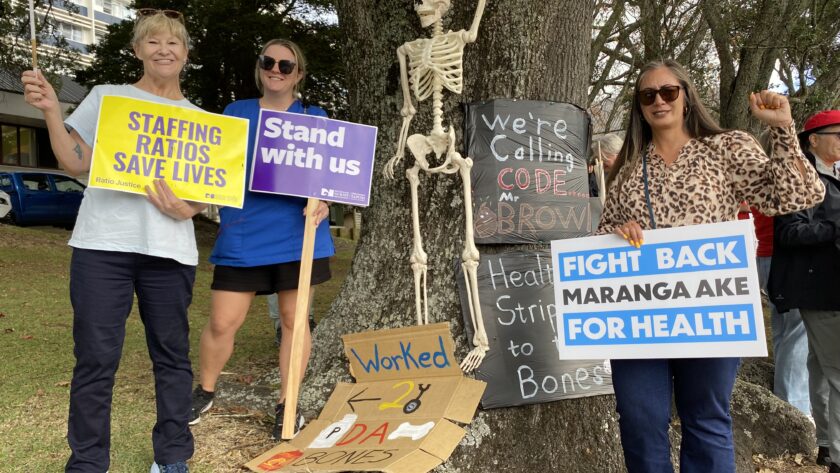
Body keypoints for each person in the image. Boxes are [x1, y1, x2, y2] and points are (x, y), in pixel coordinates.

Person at [598, 59, 824, 473]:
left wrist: (782, 128)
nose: (659, 101)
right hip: (639, 316)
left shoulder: (725, 147)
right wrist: (615, 230)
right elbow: (602, 237)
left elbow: (796, 195)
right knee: (639, 420)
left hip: (708, 309)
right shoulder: (629, 167)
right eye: (648, 95)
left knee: (706, 419)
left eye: (668, 92)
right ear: (640, 106)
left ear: (686, 96)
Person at [21, 9, 202, 473]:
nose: (164, 49)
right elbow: (74, 162)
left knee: (172, 358)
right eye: (153, 41)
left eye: (174, 43)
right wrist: (49, 112)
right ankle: (86, 462)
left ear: (186, 53)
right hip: (103, 248)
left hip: (170, 252)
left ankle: (173, 457)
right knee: (96, 359)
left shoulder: (202, 121)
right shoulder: (108, 98)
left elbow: (207, 191)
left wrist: (192, 209)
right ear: (138, 49)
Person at [190, 38, 334, 440]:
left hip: (298, 235)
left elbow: (335, 177)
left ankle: (288, 403)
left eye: (286, 65)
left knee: (294, 321)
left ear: (298, 74)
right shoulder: (236, 113)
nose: (276, 69)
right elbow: (213, 168)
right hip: (243, 234)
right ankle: (204, 391)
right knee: (222, 321)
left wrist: (325, 200)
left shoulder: (315, 117)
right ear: (260, 67)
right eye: (268, 62)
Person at [768, 109, 840, 473]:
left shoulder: (836, 174)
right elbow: (789, 232)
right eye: (837, 134)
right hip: (814, 288)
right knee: (826, 364)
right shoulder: (798, 174)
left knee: (820, 365)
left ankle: (826, 444)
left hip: (827, 286)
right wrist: (835, 230)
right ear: (813, 139)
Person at [588, 133, 622, 201]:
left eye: (604, 158)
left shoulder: (627, 174)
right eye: (599, 158)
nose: (601, 163)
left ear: (617, 155)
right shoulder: (599, 171)